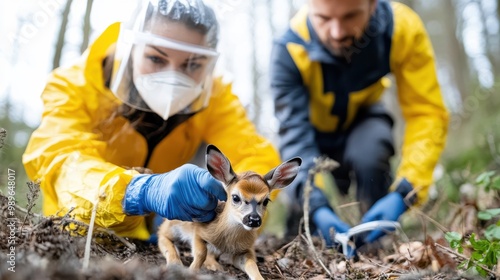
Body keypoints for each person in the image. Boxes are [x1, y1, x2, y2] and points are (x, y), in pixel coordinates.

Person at [22, 0, 281, 242]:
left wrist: (231, 200)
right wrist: (136, 192)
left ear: (208, 65)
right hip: (77, 238)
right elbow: (59, 159)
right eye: (156, 58)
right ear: (131, 49)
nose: (172, 77)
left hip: (161, 242)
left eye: (192, 65)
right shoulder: (74, 86)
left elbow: (253, 155)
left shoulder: (216, 96)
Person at [270, 0, 449, 250]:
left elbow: (427, 113)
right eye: (323, 19)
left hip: (364, 119)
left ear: (373, 5)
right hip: (311, 132)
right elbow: (294, 137)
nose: (337, 32)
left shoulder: (401, 29)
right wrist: (315, 205)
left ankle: (375, 241)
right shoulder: (289, 49)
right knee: (304, 219)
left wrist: (405, 193)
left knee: (372, 152)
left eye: (350, 16)